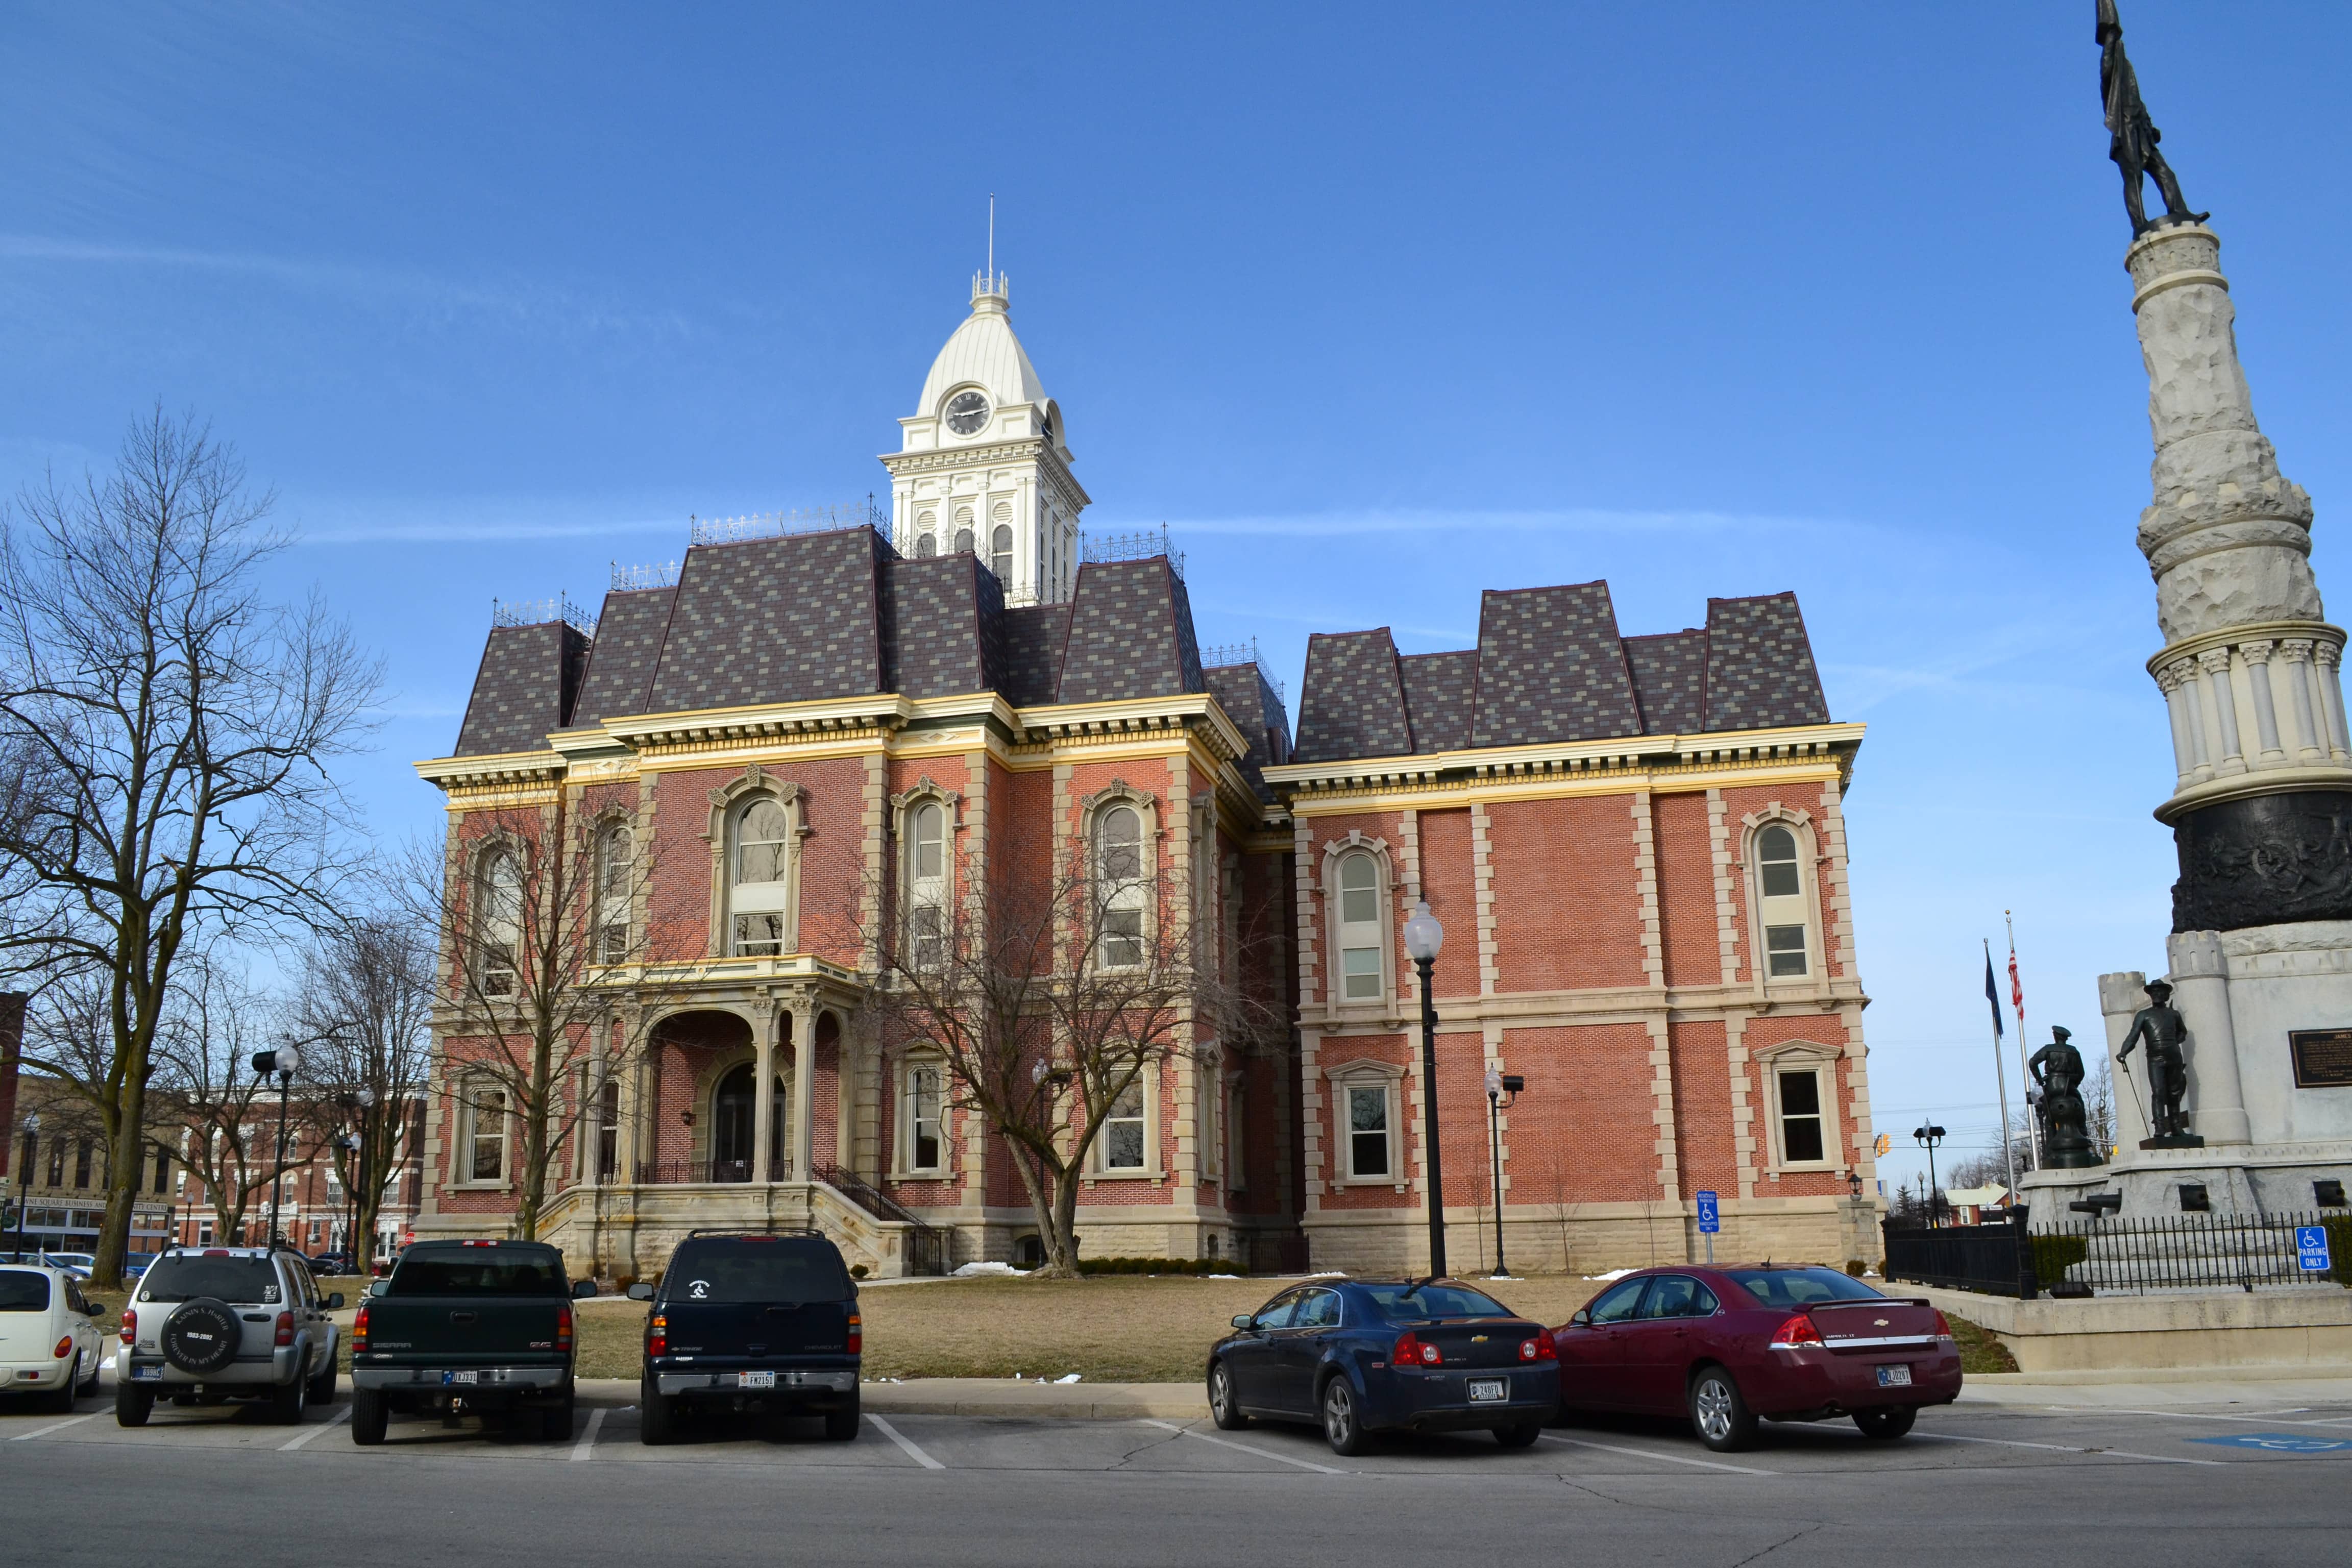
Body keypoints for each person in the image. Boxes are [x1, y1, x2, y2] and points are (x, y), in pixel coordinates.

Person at [2117, 979, 2193, 1140]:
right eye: (2154, 992)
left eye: (2160, 992)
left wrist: (2173, 1042)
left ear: (2166, 995)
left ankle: (2176, 1127)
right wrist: (2124, 1051)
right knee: (2158, 1092)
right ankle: (2159, 1128)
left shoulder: (2174, 1014)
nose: (2157, 994)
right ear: (2150, 995)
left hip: (2174, 1056)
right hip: (2155, 1059)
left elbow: (2182, 1033)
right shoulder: (2144, 1015)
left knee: (2174, 1092)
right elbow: (2134, 1036)